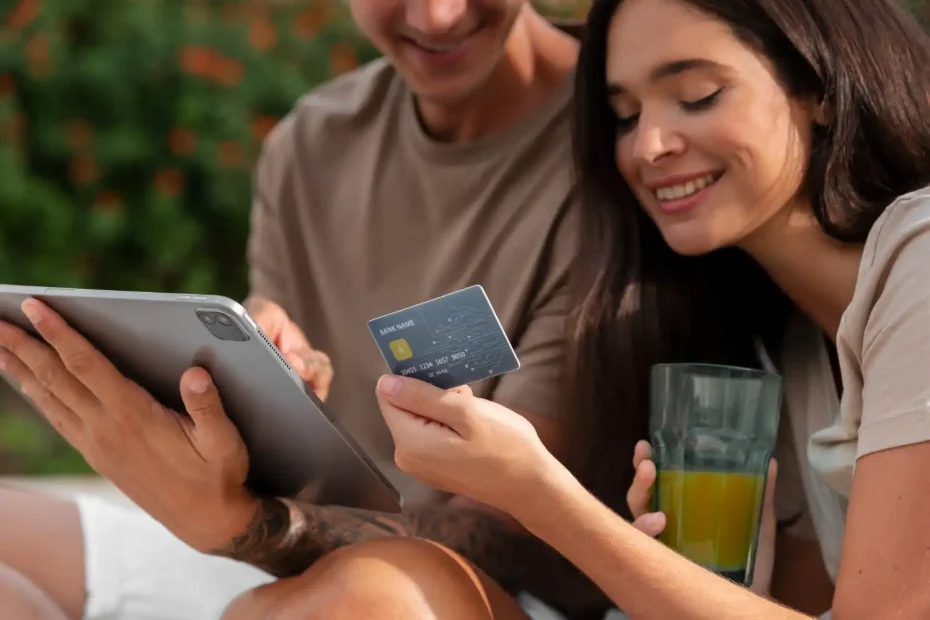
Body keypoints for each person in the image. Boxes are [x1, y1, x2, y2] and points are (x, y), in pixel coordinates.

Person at [0, 1, 609, 619]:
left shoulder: (625, 145)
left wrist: (246, 523)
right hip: (289, 553)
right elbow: (284, 377)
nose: (437, 16)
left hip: (469, 594)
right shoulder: (314, 142)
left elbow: (514, 539)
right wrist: (250, 374)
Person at [367, 0, 930, 618]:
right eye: (626, 116)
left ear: (820, 88)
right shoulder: (794, 351)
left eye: (697, 96)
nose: (650, 146)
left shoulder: (921, 266)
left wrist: (538, 493)